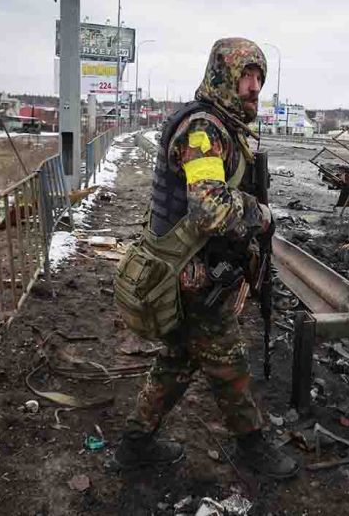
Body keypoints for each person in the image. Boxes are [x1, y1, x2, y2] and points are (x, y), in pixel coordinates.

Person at [114, 37, 298, 479]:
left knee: (178, 359)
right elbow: (210, 206)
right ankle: (254, 447)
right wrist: (262, 214)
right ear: (223, 77)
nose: (254, 86)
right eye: (245, 77)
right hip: (187, 273)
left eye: (259, 77)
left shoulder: (224, 125)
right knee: (227, 360)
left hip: (192, 269)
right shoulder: (204, 130)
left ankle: (134, 445)